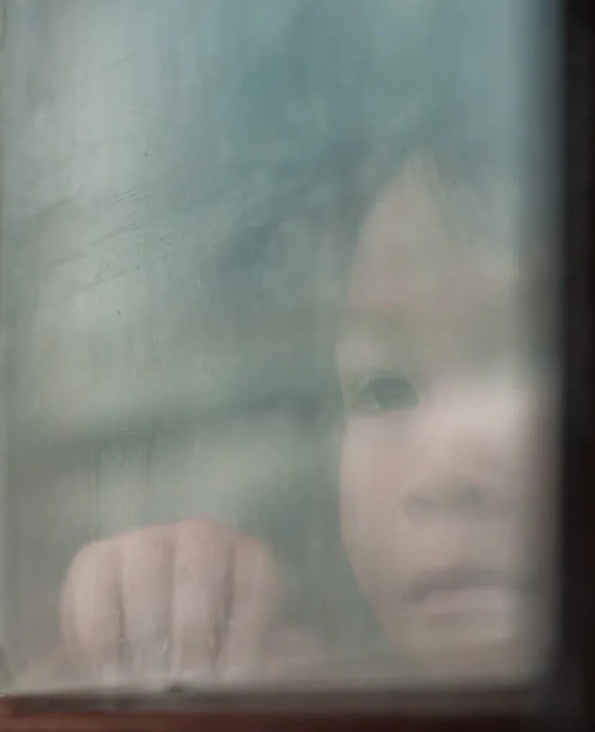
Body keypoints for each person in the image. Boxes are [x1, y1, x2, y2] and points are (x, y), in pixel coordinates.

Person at [59, 143, 549, 686]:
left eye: (538, 364)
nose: (444, 476)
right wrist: (167, 608)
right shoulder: (299, 669)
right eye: (383, 390)